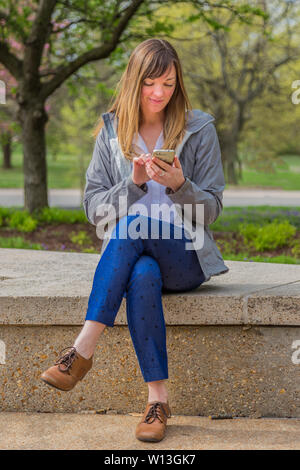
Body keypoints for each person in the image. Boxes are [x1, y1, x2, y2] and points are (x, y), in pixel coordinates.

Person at [40, 38, 229, 443]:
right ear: (133, 82)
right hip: (135, 257)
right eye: (150, 83)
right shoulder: (111, 131)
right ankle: (157, 402)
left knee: (130, 229)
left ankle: (83, 349)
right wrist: (133, 185)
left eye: (168, 83)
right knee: (141, 273)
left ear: (178, 83)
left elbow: (211, 209)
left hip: (187, 255)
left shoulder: (199, 128)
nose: (160, 93)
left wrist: (180, 185)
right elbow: (94, 209)